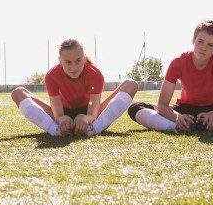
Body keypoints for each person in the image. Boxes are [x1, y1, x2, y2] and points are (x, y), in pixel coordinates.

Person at [10, 39, 138, 137]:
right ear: (60, 60)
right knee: (18, 92)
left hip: (89, 111)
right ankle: (56, 131)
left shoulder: (95, 74)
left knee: (131, 84)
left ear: (83, 58)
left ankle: (93, 129)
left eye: (78, 61)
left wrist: (86, 118)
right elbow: (58, 113)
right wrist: (61, 119)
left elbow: (93, 107)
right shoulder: (51, 75)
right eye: (68, 62)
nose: (73, 67)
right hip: (63, 111)